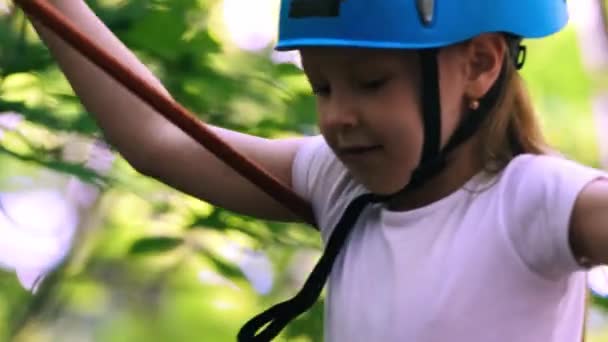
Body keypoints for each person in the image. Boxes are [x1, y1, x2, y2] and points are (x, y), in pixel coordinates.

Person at [24, 0, 608, 341]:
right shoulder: (340, 186)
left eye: (371, 83)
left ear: (479, 64)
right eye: (320, 86)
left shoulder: (533, 199)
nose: (336, 117)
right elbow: (161, 139)